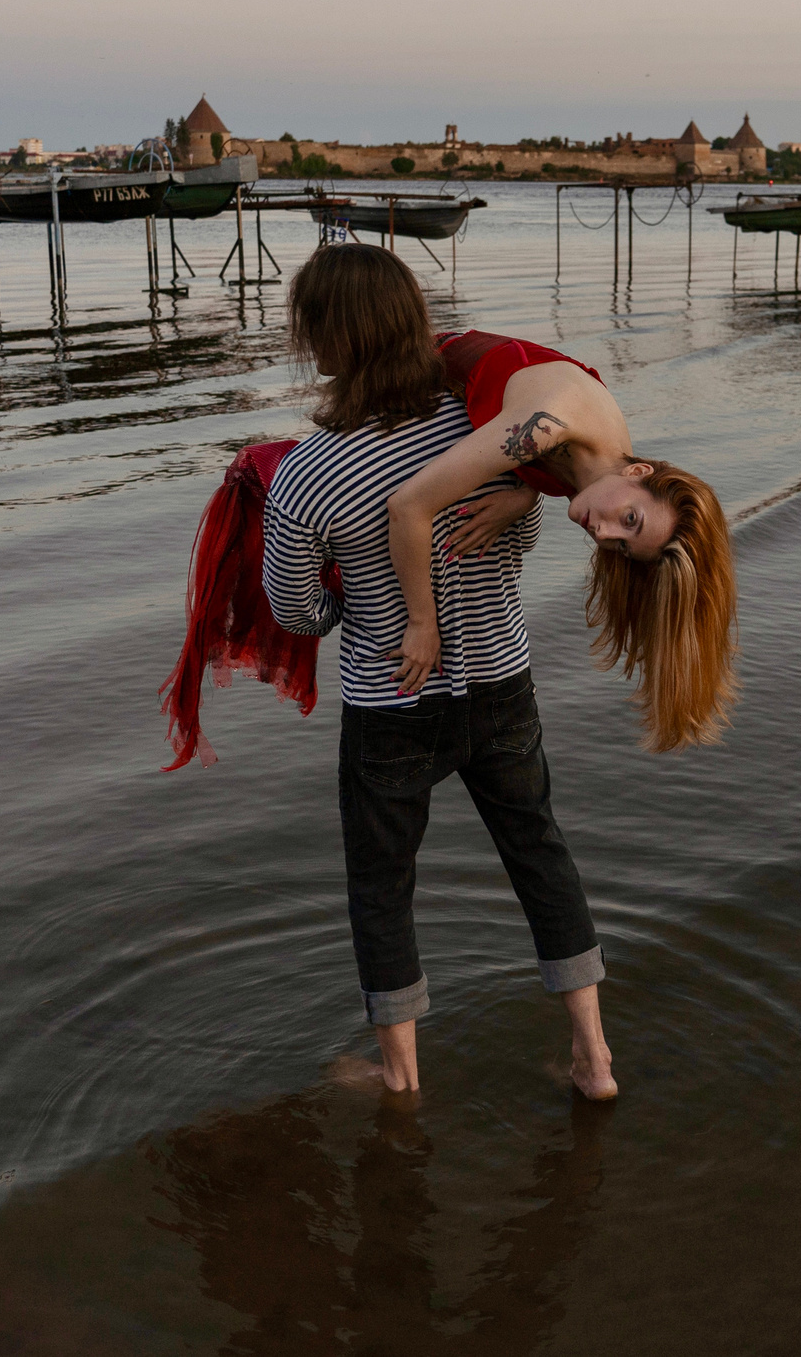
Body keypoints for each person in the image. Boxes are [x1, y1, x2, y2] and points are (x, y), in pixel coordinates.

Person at [264, 244, 615, 1099]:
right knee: (540, 854)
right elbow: (523, 535)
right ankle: (594, 1057)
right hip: (502, 684)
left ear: (322, 341)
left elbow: (294, 612)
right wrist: (520, 501)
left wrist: (361, 608)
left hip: (394, 701)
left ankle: (397, 1072)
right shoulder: (478, 432)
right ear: (413, 321)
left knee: (383, 886)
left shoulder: (304, 475)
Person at [384, 331, 738, 753]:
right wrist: (423, 624)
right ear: (641, 473)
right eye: (631, 519)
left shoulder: (604, 467)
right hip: (400, 362)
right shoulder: (549, 424)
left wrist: (523, 493)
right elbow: (407, 508)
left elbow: (535, 453)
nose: (605, 535)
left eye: (623, 545)